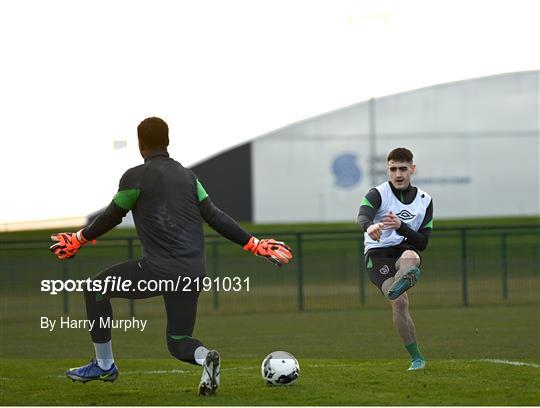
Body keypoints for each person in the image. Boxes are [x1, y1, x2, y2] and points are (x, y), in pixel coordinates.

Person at [49, 117, 293, 396]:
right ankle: (205, 357)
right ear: (168, 141)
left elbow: (111, 216)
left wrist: (79, 238)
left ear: (140, 145)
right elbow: (214, 215)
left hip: (159, 270)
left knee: (96, 289)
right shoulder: (189, 177)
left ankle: (104, 364)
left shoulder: (135, 177)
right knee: (178, 341)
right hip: (192, 273)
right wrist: (254, 244)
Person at [357, 147, 433, 371]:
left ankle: (403, 278)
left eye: (403, 169)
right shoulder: (378, 193)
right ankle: (416, 357)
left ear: (413, 169)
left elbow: (423, 243)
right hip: (378, 254)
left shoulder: (424, 200)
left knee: (411, 255)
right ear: (387, 170)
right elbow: (362, 214)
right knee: (399, 302)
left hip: (403, 249)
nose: (398, 174)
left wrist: (402, 227)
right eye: (393, 169)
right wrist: (369, 226)